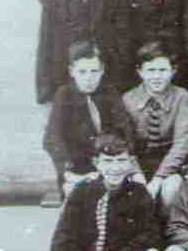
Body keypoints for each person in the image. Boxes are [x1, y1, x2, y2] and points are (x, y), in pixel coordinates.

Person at [38, 134, 163, 251]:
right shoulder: (82, 192)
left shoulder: (139, 193)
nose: (115, 168)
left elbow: (150, 237)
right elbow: (61, 243)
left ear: (131, 164)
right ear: (97, 163)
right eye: (108, 161)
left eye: (121, 161)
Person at [44, 40, 135, 199]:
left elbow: (125, 129)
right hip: (77, 168)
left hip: (109, 165)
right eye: (83, 72)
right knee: (77, 197)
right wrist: (67, 172)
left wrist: (111, 162)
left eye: (94, 71)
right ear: (72, 71)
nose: (89, 78)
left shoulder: (109, 93)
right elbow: (52, 139)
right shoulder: (63, 96)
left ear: (102, 71)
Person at [123, 41, 188, 208]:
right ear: (140, 72)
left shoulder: (182, 97)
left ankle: (169, 232)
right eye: (151, 70)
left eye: (162, 70)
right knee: (131, 191)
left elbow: (182, 144)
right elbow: (126, 144)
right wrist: (137, 174)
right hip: (137, 163)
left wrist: (158, 178)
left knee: (171, 190)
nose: (156, 77)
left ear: (173, 71)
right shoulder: (128, 99)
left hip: (171, 163)